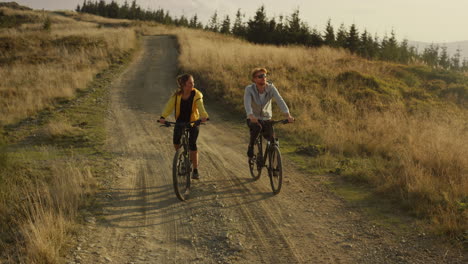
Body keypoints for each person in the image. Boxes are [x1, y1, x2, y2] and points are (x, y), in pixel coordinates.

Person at [159, 74, 209, 179]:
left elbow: (200, 106)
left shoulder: (196, 94)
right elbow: (169, 106)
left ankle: (195, 170)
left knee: (192, 145)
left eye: (193, 82)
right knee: (176, 141)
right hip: (180, 121)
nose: (193, 84)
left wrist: (203, 116)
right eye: (190, 83)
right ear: (183, 85)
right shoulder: (177, 96)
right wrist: (163, 117)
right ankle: (180, 157)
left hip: (193, 122)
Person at [244, 68, 294, 158]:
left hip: (266, 118)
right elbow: (247, 103)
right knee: (257, 127)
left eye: (265, 76)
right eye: (260, 76)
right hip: (253, 118)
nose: (263, 78)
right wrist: (250, 115)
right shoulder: (249, 89)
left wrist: (288, 115)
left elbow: (280, 100)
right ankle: (251, 146)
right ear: (254, 79)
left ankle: (274, 167)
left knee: (272, 141)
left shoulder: (271, 88)